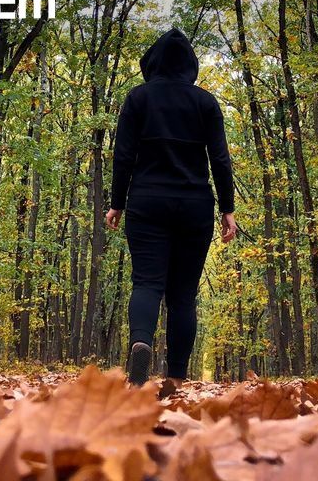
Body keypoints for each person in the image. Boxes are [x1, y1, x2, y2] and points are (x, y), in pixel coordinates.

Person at [105, 28, 237, 386]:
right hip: (194, 204)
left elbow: (123, 156)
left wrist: (116, 203)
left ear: (153, 62)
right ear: (189, 65)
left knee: (147, 283)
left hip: (147, 201)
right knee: (183, 295)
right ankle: (176, 379)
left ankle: (141, 343)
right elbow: (220, 159)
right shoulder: (206, 103)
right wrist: (228, 208)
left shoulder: (137, 99)